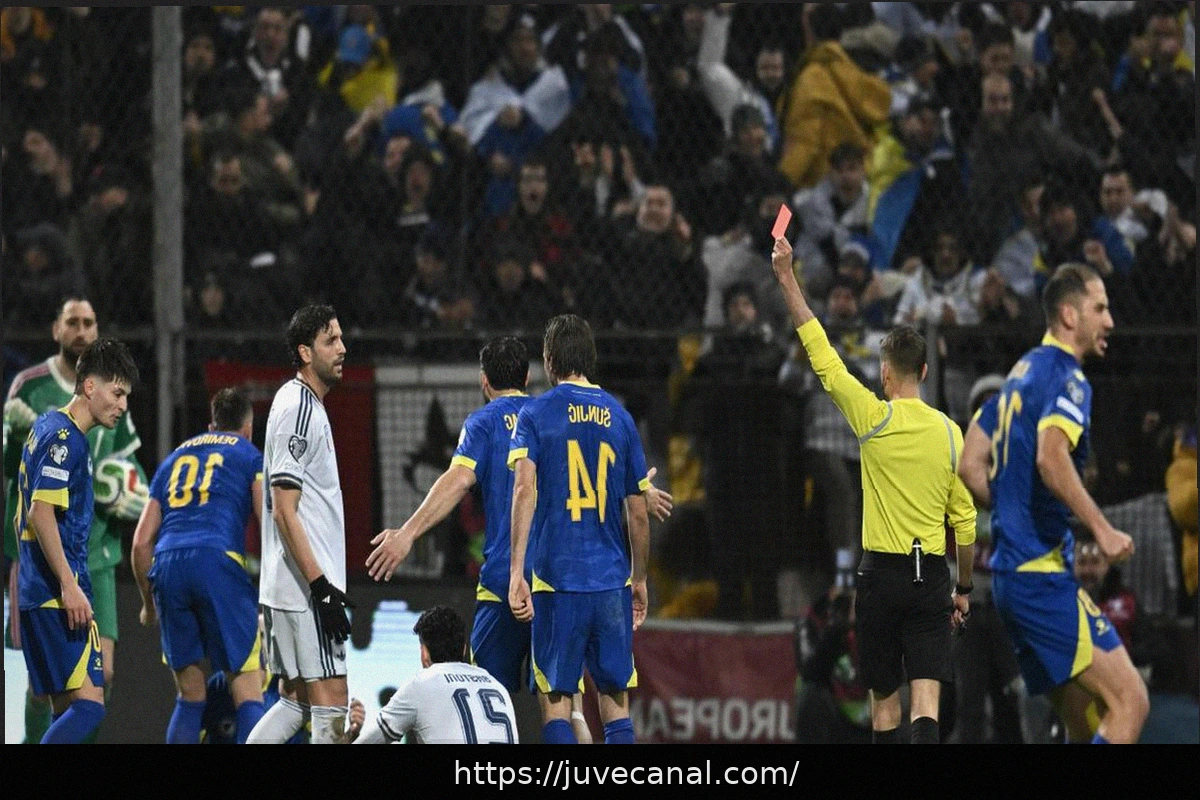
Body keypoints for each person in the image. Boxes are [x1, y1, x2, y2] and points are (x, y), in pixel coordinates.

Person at [365, 336, 672, 743]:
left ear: (483, 381)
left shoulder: (485, 423)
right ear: (528, 376)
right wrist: (639, 492)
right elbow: (586, 474)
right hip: (553, 581)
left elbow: (458, 480)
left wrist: (408, 533)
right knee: (567, 704)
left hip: (504, 583)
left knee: (481, 696)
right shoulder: (552, 415)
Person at [770, 236, 977, 744]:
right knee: (925, 704)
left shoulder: (872, 419)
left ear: (885, 373)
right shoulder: (950, 433)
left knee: (884, 709)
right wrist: (964, 590)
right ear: (924, 372)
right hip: (930, 575)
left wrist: (787, 278)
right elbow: (966, 521)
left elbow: (821, 353)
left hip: (879, 577)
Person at [957, 262, 1150, 744]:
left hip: (1009, 580)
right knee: (1131, 701)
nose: (1110, 321)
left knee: (1086, 723)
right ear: (1069, 315)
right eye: (1100, 309)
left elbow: (969, 463)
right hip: (1040, 577)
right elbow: (1051, 456)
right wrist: (1102, 530)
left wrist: (1011, 507)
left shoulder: (1019, 376)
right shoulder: (1068, 378)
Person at [3, 297, 148, 744]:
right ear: (89, 387)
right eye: (117, 393)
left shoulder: (49, 426)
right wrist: (68, 584)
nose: (122, 405)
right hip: (54, 594)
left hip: (43, 590)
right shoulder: (66, 439)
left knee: (69, 709)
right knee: (88, 708)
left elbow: (25, 511)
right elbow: (40, 511)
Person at [508, 314, 653, 744]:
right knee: (615, 704)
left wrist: (517, 572)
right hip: (611, 581)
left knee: (556, 702)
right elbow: (638, 512)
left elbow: (524, 489)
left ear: (550, 360)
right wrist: (639, 579)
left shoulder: (536, 413)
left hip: (557, 579)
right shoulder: (621, 418)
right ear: (590, 358)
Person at [130, 388, 266, 744]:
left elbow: (141, 542)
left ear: (211, 425)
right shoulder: (249, 454)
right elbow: (267, 521)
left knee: (190, 696)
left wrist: (148, 604)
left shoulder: (173, 459)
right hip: (217, 561)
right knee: (248, 688)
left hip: (167, 565)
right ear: (248, 428)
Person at [247, 304, 353, 744]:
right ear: (306, 353)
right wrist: (321, 588)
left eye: (341, 338)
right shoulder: (300, 409)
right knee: (333, 701)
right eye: (331, 341)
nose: (342, 348)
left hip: (288, 586)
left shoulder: (296, 403)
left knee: (296, 701)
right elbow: (282, 509)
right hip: (306, 590)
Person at [350, 605, 516, 744]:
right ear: (464, 648)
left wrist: (352, 733)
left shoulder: (422, 685)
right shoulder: (497, 686)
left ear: (424, 653)